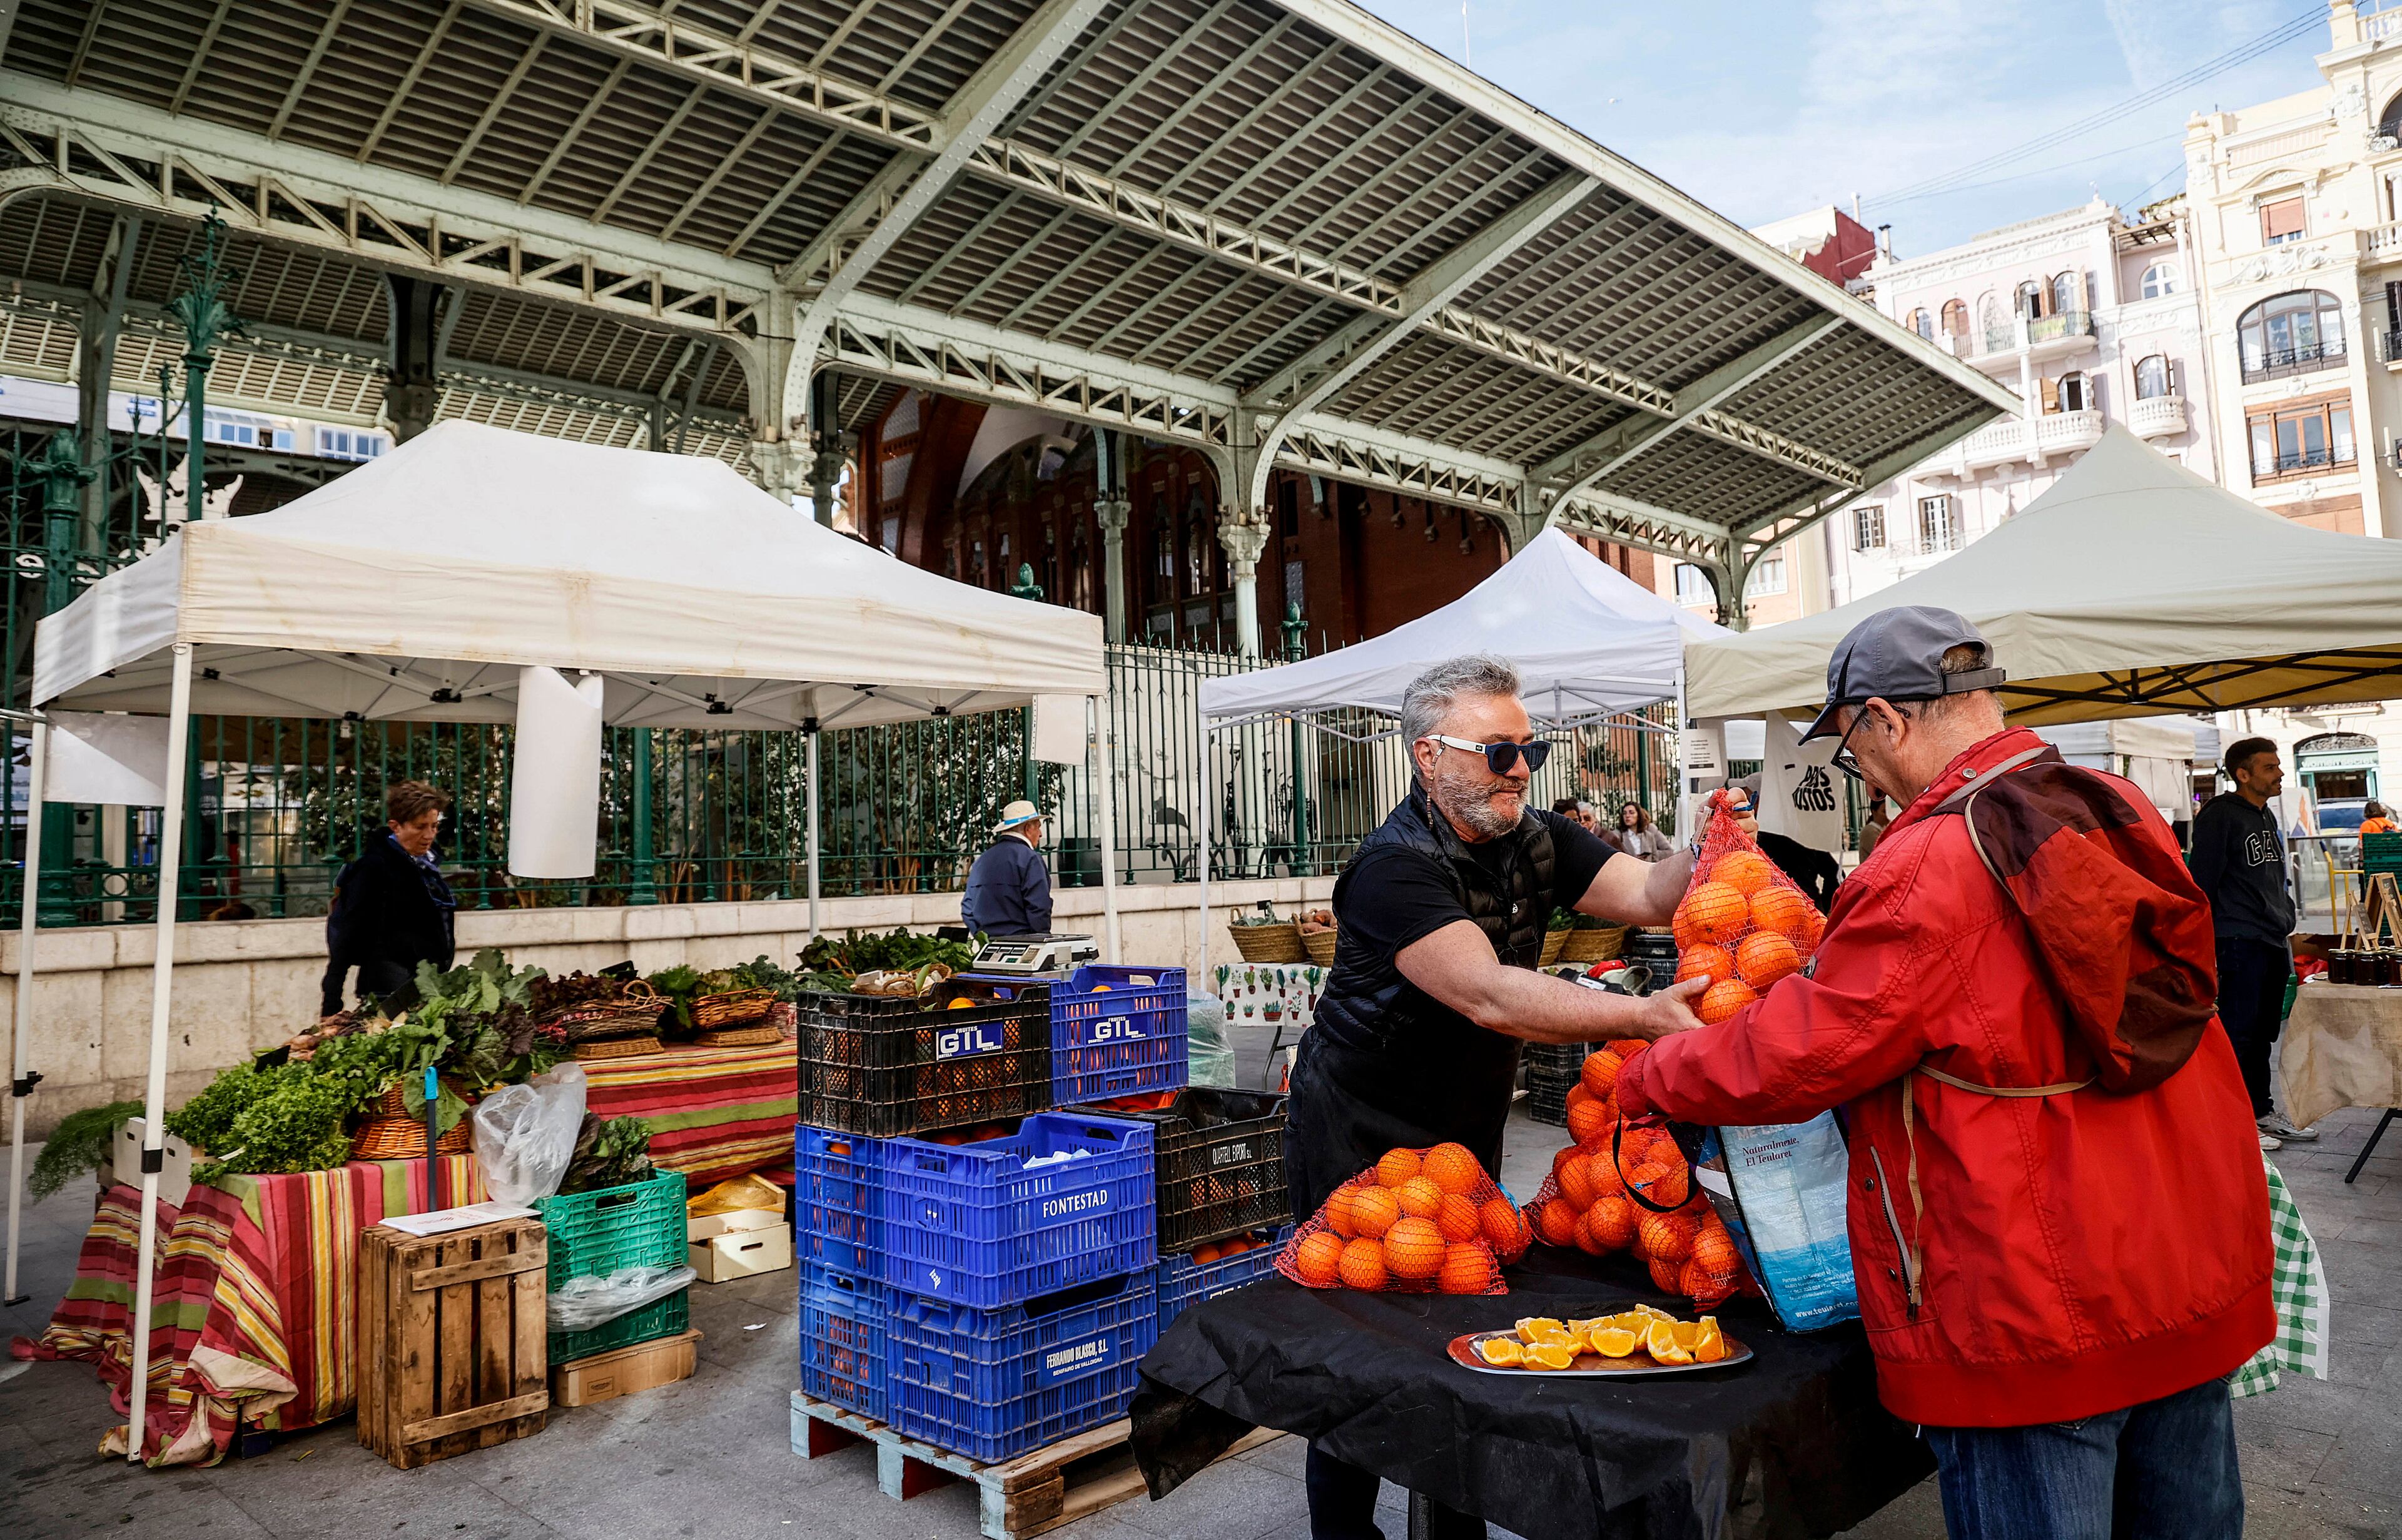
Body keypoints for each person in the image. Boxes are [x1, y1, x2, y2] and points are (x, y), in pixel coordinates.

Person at [1614, 607, 2271, 1540]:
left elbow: (1805, 1048)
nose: (1863, 773)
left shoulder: (1930, 862)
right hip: (2183, 1267)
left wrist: (1653, 1072)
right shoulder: (2114, 805)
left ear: (1886, 717)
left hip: (2033, 1300)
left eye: (1851, 745)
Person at [1289, 654, 1735, 1540]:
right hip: (1361, 1124)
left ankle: (1456, 1524)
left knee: (1468, 1310)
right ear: (1429, 756)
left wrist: (1715, 834)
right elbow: (1487, 992)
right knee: (1358, 1342)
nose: (1523, 767)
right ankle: (1345, 1532)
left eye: (1528, 747)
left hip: (1463, 1119)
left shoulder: (1536, 836)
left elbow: (1649, 893)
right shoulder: (1388, 869)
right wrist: (1642, 1015)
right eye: (1498, 751)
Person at [2189, 738, 2315, 1150]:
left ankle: (2260, 1111)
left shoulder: (2264, 818)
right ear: (2243, 775)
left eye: (2278, 766)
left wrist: (2287, 915)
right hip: (2237, 941)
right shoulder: (2220, 817)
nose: (2279, 773)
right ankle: (2239, 1120)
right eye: (2269, 767)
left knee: (2262, 1033)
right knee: (2239, 1033)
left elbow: (2273, 879)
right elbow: (2202, 884)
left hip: (2270, 940)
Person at [322, 781, 458, 1015]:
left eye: (434, 827)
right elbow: (347, 934)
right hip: (387, 989)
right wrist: (332, 1003)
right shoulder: (373, 868)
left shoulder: (426, 867)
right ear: (396, 827)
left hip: (425, 986)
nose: (429, 836)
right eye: (420, 827)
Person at [1735, 771, 1841, 914]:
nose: (1746, 808)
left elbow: (1834, 874)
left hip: (1780, 915)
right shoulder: (1799, 829)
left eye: (1749, 800)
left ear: (1762, 801)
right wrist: (1825, 906)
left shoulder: (1757, 837)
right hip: (1804, 910)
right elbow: (1834, 873)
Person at [961, 799, 1051, 938]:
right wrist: (1041, 938)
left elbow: (968, 908)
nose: (1040, 834)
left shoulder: (982, 860)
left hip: (989, 945)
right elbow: (1039, 908)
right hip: (1024, 943)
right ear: (1028, 829)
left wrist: (982, 936)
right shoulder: (1030, 859)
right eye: (1038, 827)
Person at [1608, 799, 1676, 860]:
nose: (1627, 816)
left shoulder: (1649, 834)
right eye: (1625, 813)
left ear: (1638, 816)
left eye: (1631, 813)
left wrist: (1648, 855)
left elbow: (1658, 858)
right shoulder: (1620, 835)